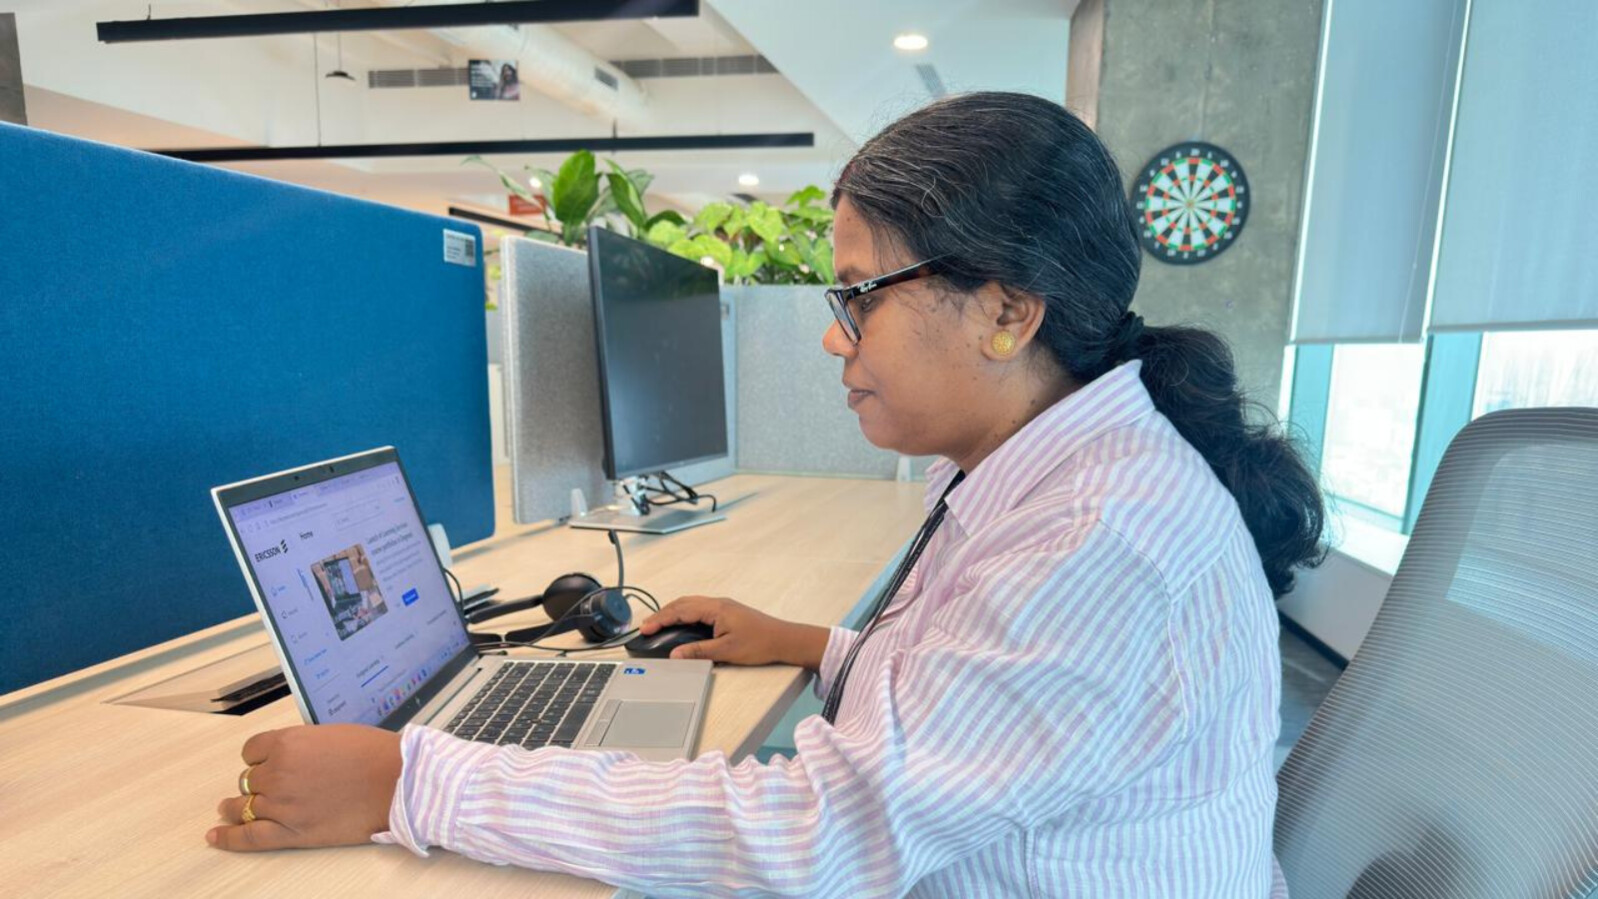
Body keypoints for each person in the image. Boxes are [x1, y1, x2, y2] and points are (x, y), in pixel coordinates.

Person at [207, 91, 1324, 897]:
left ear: (1006, 312)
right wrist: (808, 643)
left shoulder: (1095, 536)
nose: (835, 338)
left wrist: (415, 781)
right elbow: (971, 697)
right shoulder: (1044, 467)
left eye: (859, 295)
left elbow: (818, 835)